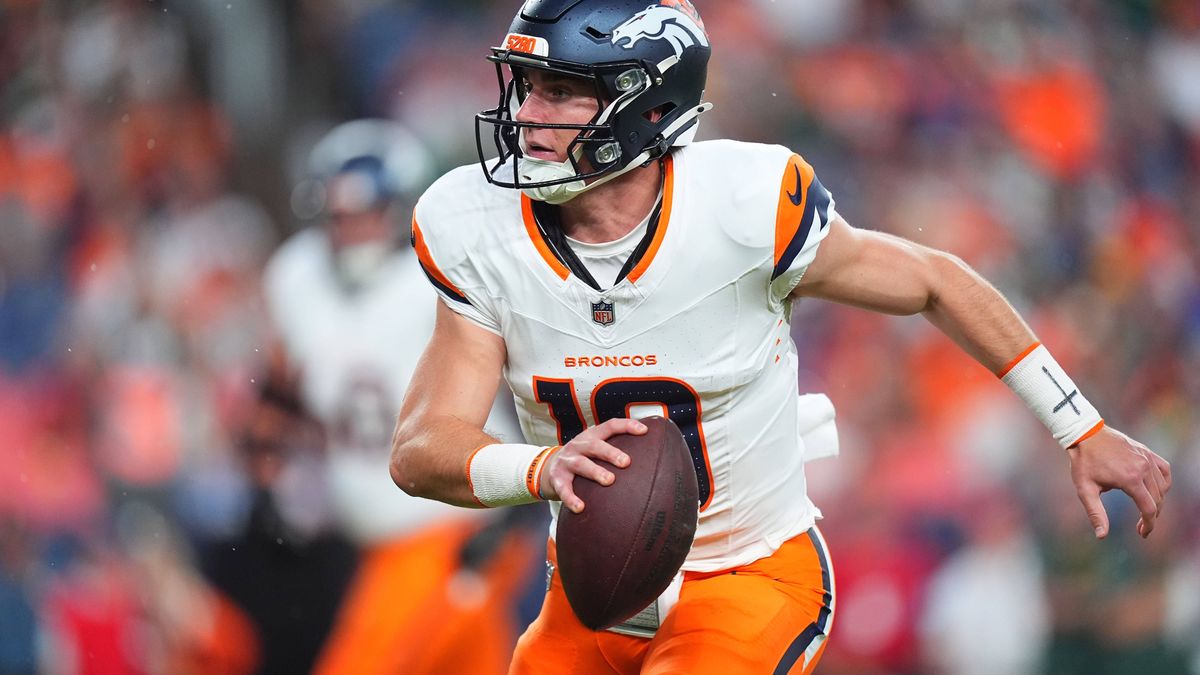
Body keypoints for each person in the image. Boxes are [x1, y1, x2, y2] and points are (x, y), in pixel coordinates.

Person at [389, 2, 1172, 673]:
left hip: (749, 572)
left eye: (561, 93)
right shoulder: (479, 229)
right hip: (591, 592)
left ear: (648, 108)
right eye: (527, 88)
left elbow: (935, 281)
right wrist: (540, 465)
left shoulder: (742, 206)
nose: (526, 116)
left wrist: (1081, 425)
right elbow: (421, 449)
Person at [256, 119, 542, 675]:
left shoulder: (437, 279)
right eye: (340, 217)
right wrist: (270, 474)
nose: (353, 230)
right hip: (384, 541)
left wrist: (521, 507)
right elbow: (280, 389)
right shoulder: (296, 277)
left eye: (367, 213)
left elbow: (525, 382)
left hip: (456, 524)